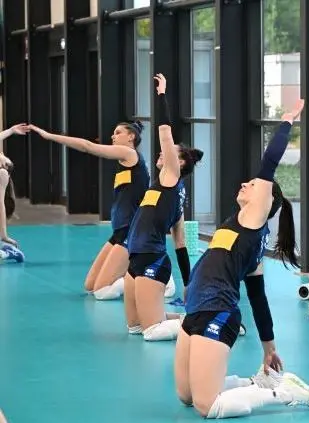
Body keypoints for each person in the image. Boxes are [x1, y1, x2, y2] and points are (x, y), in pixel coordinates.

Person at [173, 98, 309, 419]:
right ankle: (256, 383)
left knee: (207, 406)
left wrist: (287, 120)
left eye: (253, 185)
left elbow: (270, 162)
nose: (245, 183)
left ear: (264, 201)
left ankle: (284, 393)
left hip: (217, 312)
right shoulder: (241, 228)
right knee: (186, 396)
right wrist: (269, 347)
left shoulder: (254, 220)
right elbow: (257, 297)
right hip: (196, 308)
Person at [27, 121, 152, 300]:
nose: (113, 136)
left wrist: (49, 136)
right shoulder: (124, 161)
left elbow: (87, 146)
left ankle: (148, 279)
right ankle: (140, 273)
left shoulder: (130, 154)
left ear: (131, 136)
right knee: (90, 286)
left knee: (101, 292)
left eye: (118, 133)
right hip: (119, 231)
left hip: (131, 232)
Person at [123, 73, 202, 342]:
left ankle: (209, 326)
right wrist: (188, 283)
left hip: (152, 260)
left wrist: (161, 95)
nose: (161, 153)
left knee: (151, 332)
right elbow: (180, 244)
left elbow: (165, 134)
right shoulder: (169, 192)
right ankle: (192, 320)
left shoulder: (171, 177)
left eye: (169, 153)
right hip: (135, 260)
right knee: (135, 327)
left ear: (179, 163)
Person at [0, 123, 29, 263]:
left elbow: (0, 205)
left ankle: (7, 253)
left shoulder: (2, 174)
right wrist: (11, 131)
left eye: (6, 163)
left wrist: (4, 235)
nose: (4, 159)